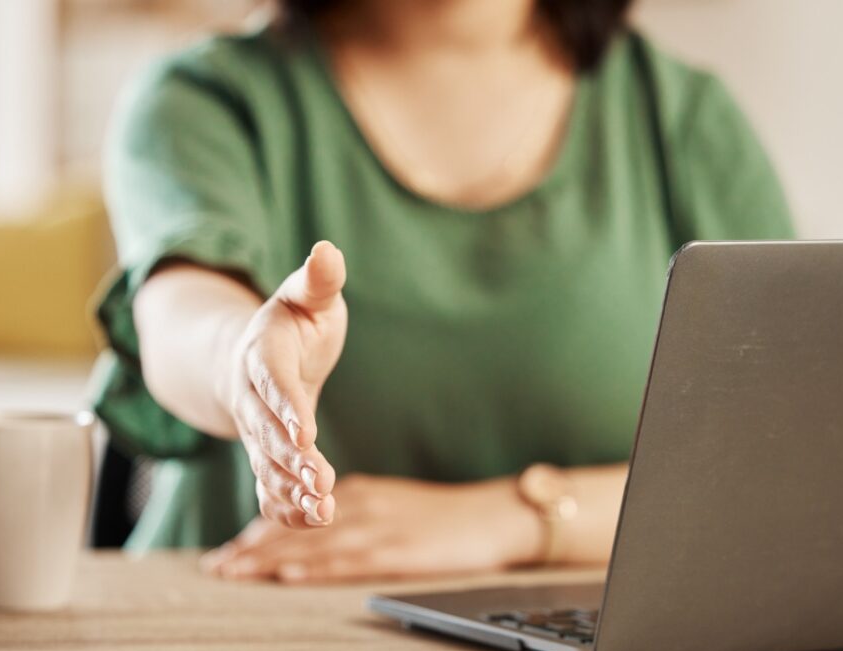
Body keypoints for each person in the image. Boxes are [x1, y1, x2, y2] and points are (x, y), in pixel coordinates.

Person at [94, 0, 794, 582]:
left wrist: (516, 518)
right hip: (237, 631)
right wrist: (241, 359)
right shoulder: (202, 97)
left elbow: (784, 466)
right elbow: (180, 305)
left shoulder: (685, 119)